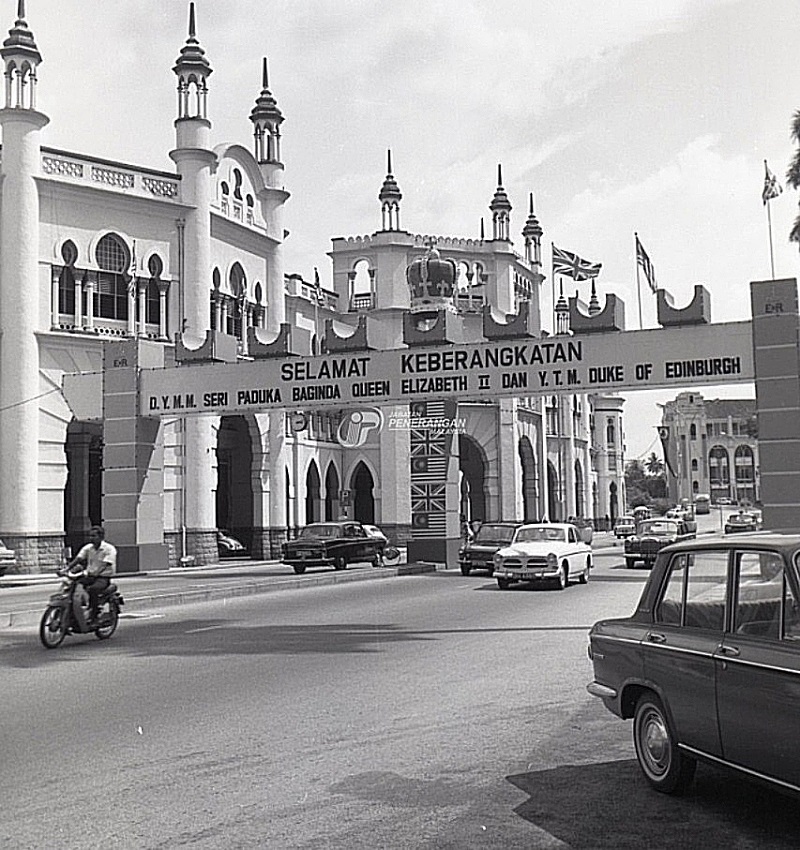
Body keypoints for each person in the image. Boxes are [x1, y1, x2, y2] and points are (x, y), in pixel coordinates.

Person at [66, 525, 117, 622]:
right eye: (90, 536)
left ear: (101, 537)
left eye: (94, 536)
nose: (91, 538)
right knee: (74, 585)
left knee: (93, 589)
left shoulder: (109, 549)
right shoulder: (88, 548)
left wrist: (95, 572)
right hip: (90, 576)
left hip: (102, 578)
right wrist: (67, 569)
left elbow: (106, 564)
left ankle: (94, 613)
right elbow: (79, 559)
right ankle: (75, 610)